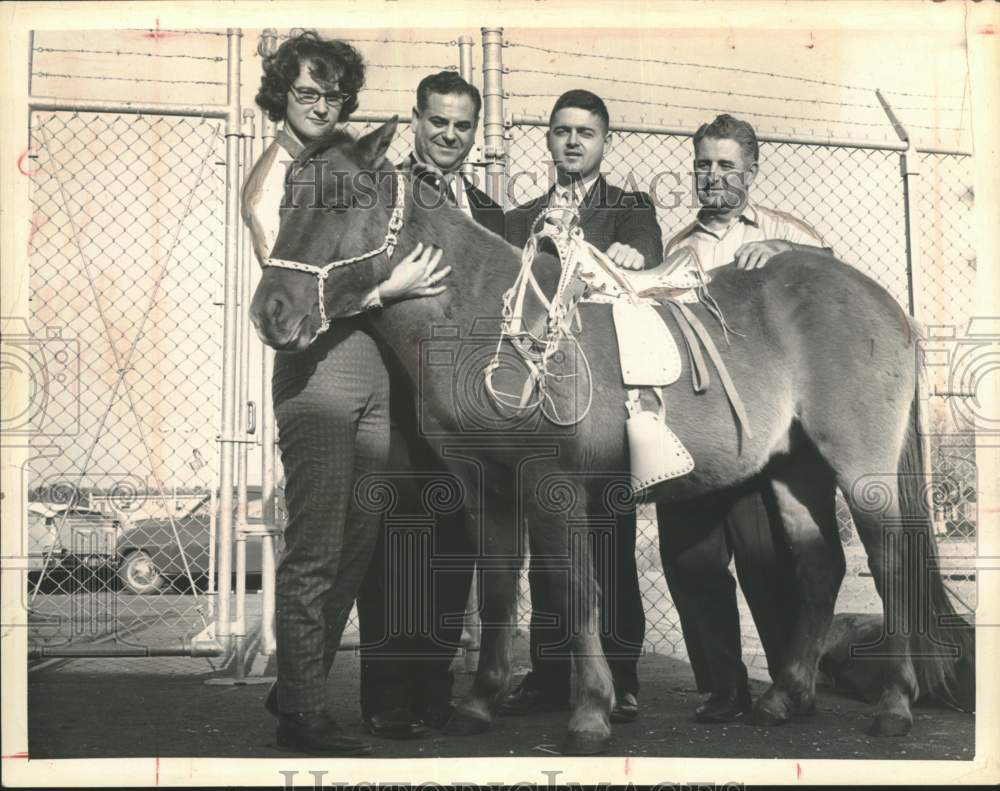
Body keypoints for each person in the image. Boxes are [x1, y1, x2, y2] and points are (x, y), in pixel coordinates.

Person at [241, 30, 450, 756]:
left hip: (368, 365)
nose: (321, 104)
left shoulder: (340, 164)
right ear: (280, 93)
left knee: (359, 543)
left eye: (332, 92)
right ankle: (302, 714)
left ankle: (295, 682)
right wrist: (388, 288)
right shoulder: (277, 176)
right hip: (315, 370)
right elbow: (292, 298)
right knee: (318, 546)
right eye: (306, 90)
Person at [658, 113, 832, 723]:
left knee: (765, 555)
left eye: (727, 165)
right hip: (695, 424)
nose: (714, 176)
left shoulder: (789, 231)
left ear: (752, 171)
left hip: (764, 422)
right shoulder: (676, 248)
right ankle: (723, 686)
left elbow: (835, 290)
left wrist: (789, 252)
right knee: (689, 558)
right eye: (704, 164)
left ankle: (788, 679)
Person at [501, 89, 663, 724]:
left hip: (602, 402)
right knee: (548, 545)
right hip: (539, 405)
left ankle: (620, 677)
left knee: (609, 537)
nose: (573, 141)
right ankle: (548, 675)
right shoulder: (519, 220)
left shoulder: (627, 210)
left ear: (603, 142)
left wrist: (629, 254)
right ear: (548, 138)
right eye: (563, 130)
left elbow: (648, 256)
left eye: (586, 132)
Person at [356, 71, 503, 739]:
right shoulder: (381, 196)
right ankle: (389, 694)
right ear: (415, 120)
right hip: (397, 398)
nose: (449, 134)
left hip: (469, 411)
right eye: (437, 121)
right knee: (395, 546)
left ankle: (434, 687)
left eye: (462, 125)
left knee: (452, 547)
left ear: (475, 132)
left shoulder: (489, 213)